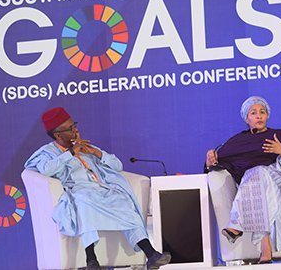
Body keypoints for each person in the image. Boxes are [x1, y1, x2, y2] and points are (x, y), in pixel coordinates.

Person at [24, 107, 171, 270]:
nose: (76, 130)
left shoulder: (86, 147)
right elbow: (46, 169)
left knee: (124, 201)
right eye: (71, 128)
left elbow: (117, 165)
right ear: (58, 135)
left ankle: (151, 255)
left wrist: (95, 152)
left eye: (75, 125)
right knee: (83, 202)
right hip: (80, 191)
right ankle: (91, 260)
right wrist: (71, 153)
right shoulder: (47, 152)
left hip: (103, 190)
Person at [205, 96, 281, 263]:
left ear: (267, 115)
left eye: (262, 112)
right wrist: (210, 160)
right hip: (256, 186)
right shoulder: (238, 141)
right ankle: (265, 247)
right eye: (254, 113)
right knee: (256, 175)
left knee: (256, 173)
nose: (259, 116)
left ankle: (237, 225)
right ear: (246, 118)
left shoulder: (278, 134)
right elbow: (220, 162)